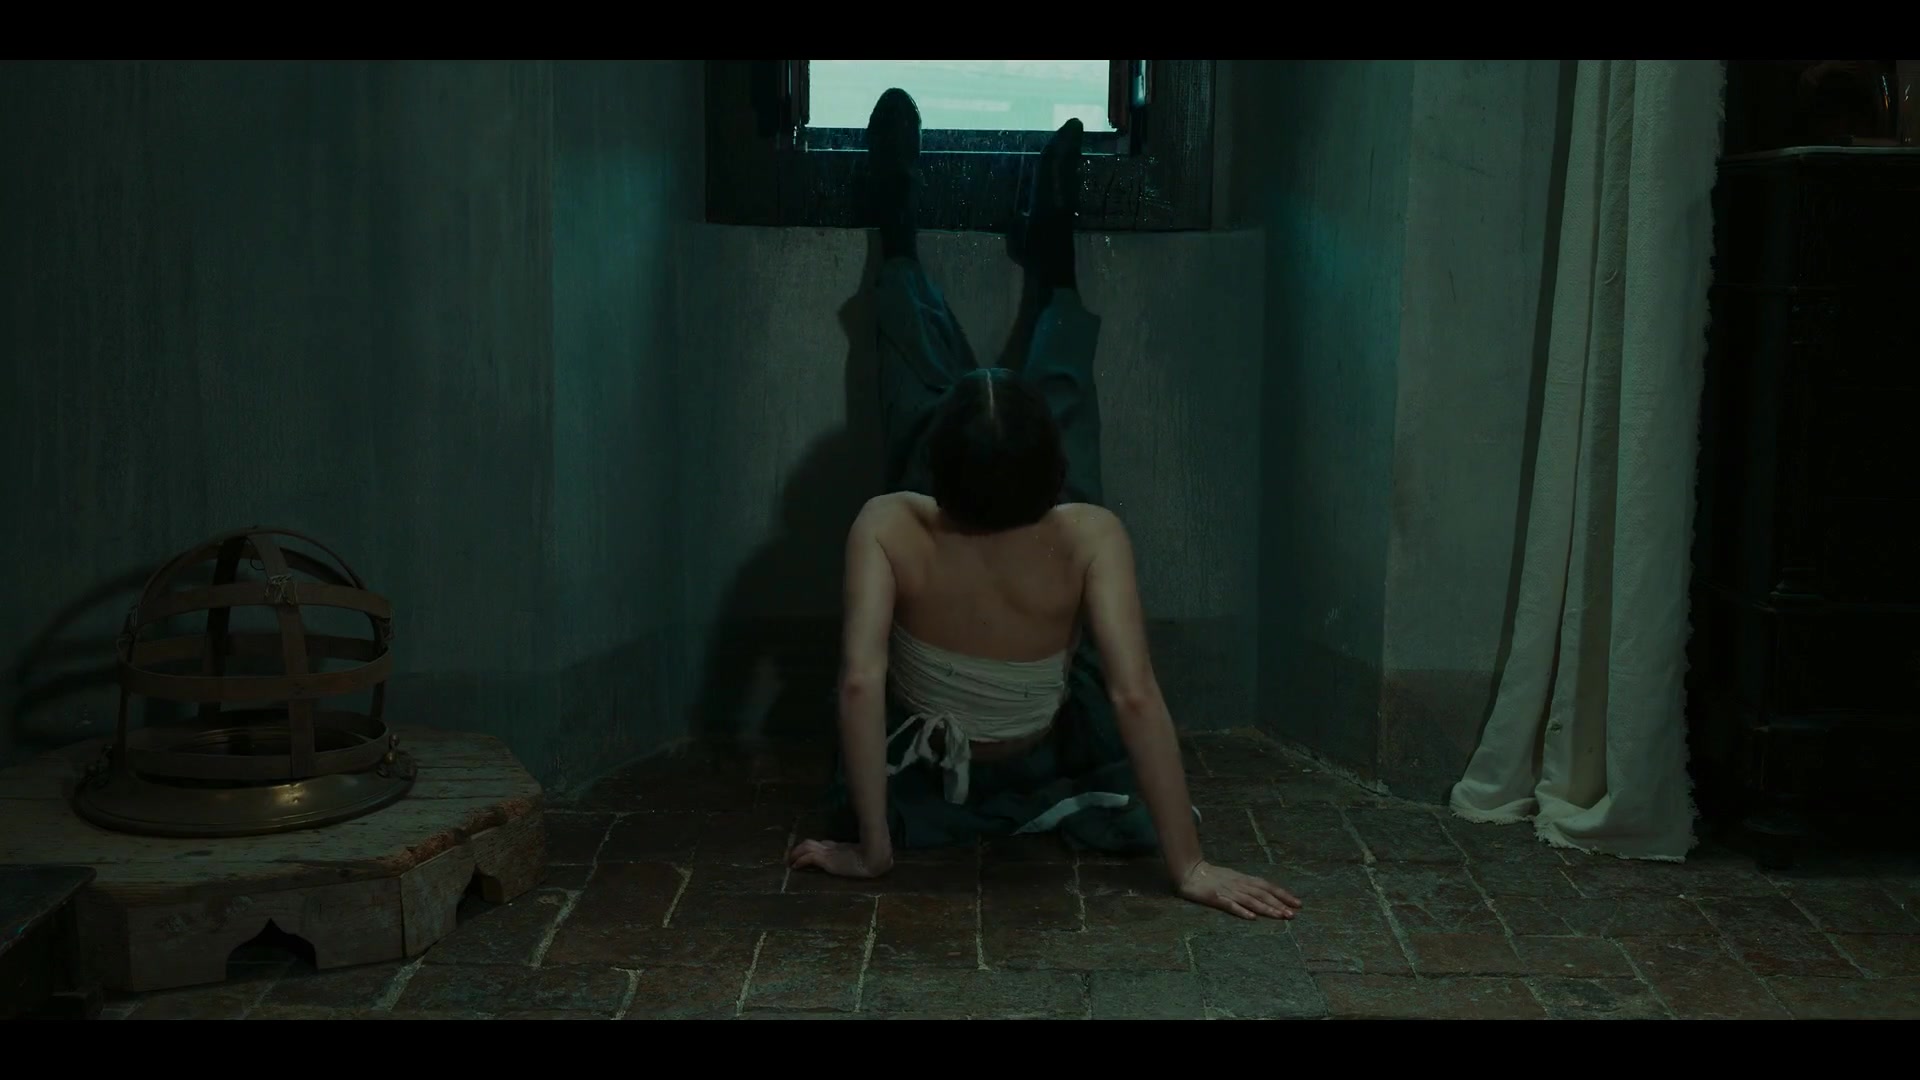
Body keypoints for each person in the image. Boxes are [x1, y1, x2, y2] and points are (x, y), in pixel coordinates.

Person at [786, 89, 1302, 922]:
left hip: (939, 762)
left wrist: (873, 851)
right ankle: (1055, 259)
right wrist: (1191, 864)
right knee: (1055, 403)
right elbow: (1134, 695)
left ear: (934, 472)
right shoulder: (1088, 529)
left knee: (926, 396)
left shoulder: (888, 521)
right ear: (1051, 478)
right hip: (1037, 745)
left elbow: (858, 682)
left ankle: (899, 237)